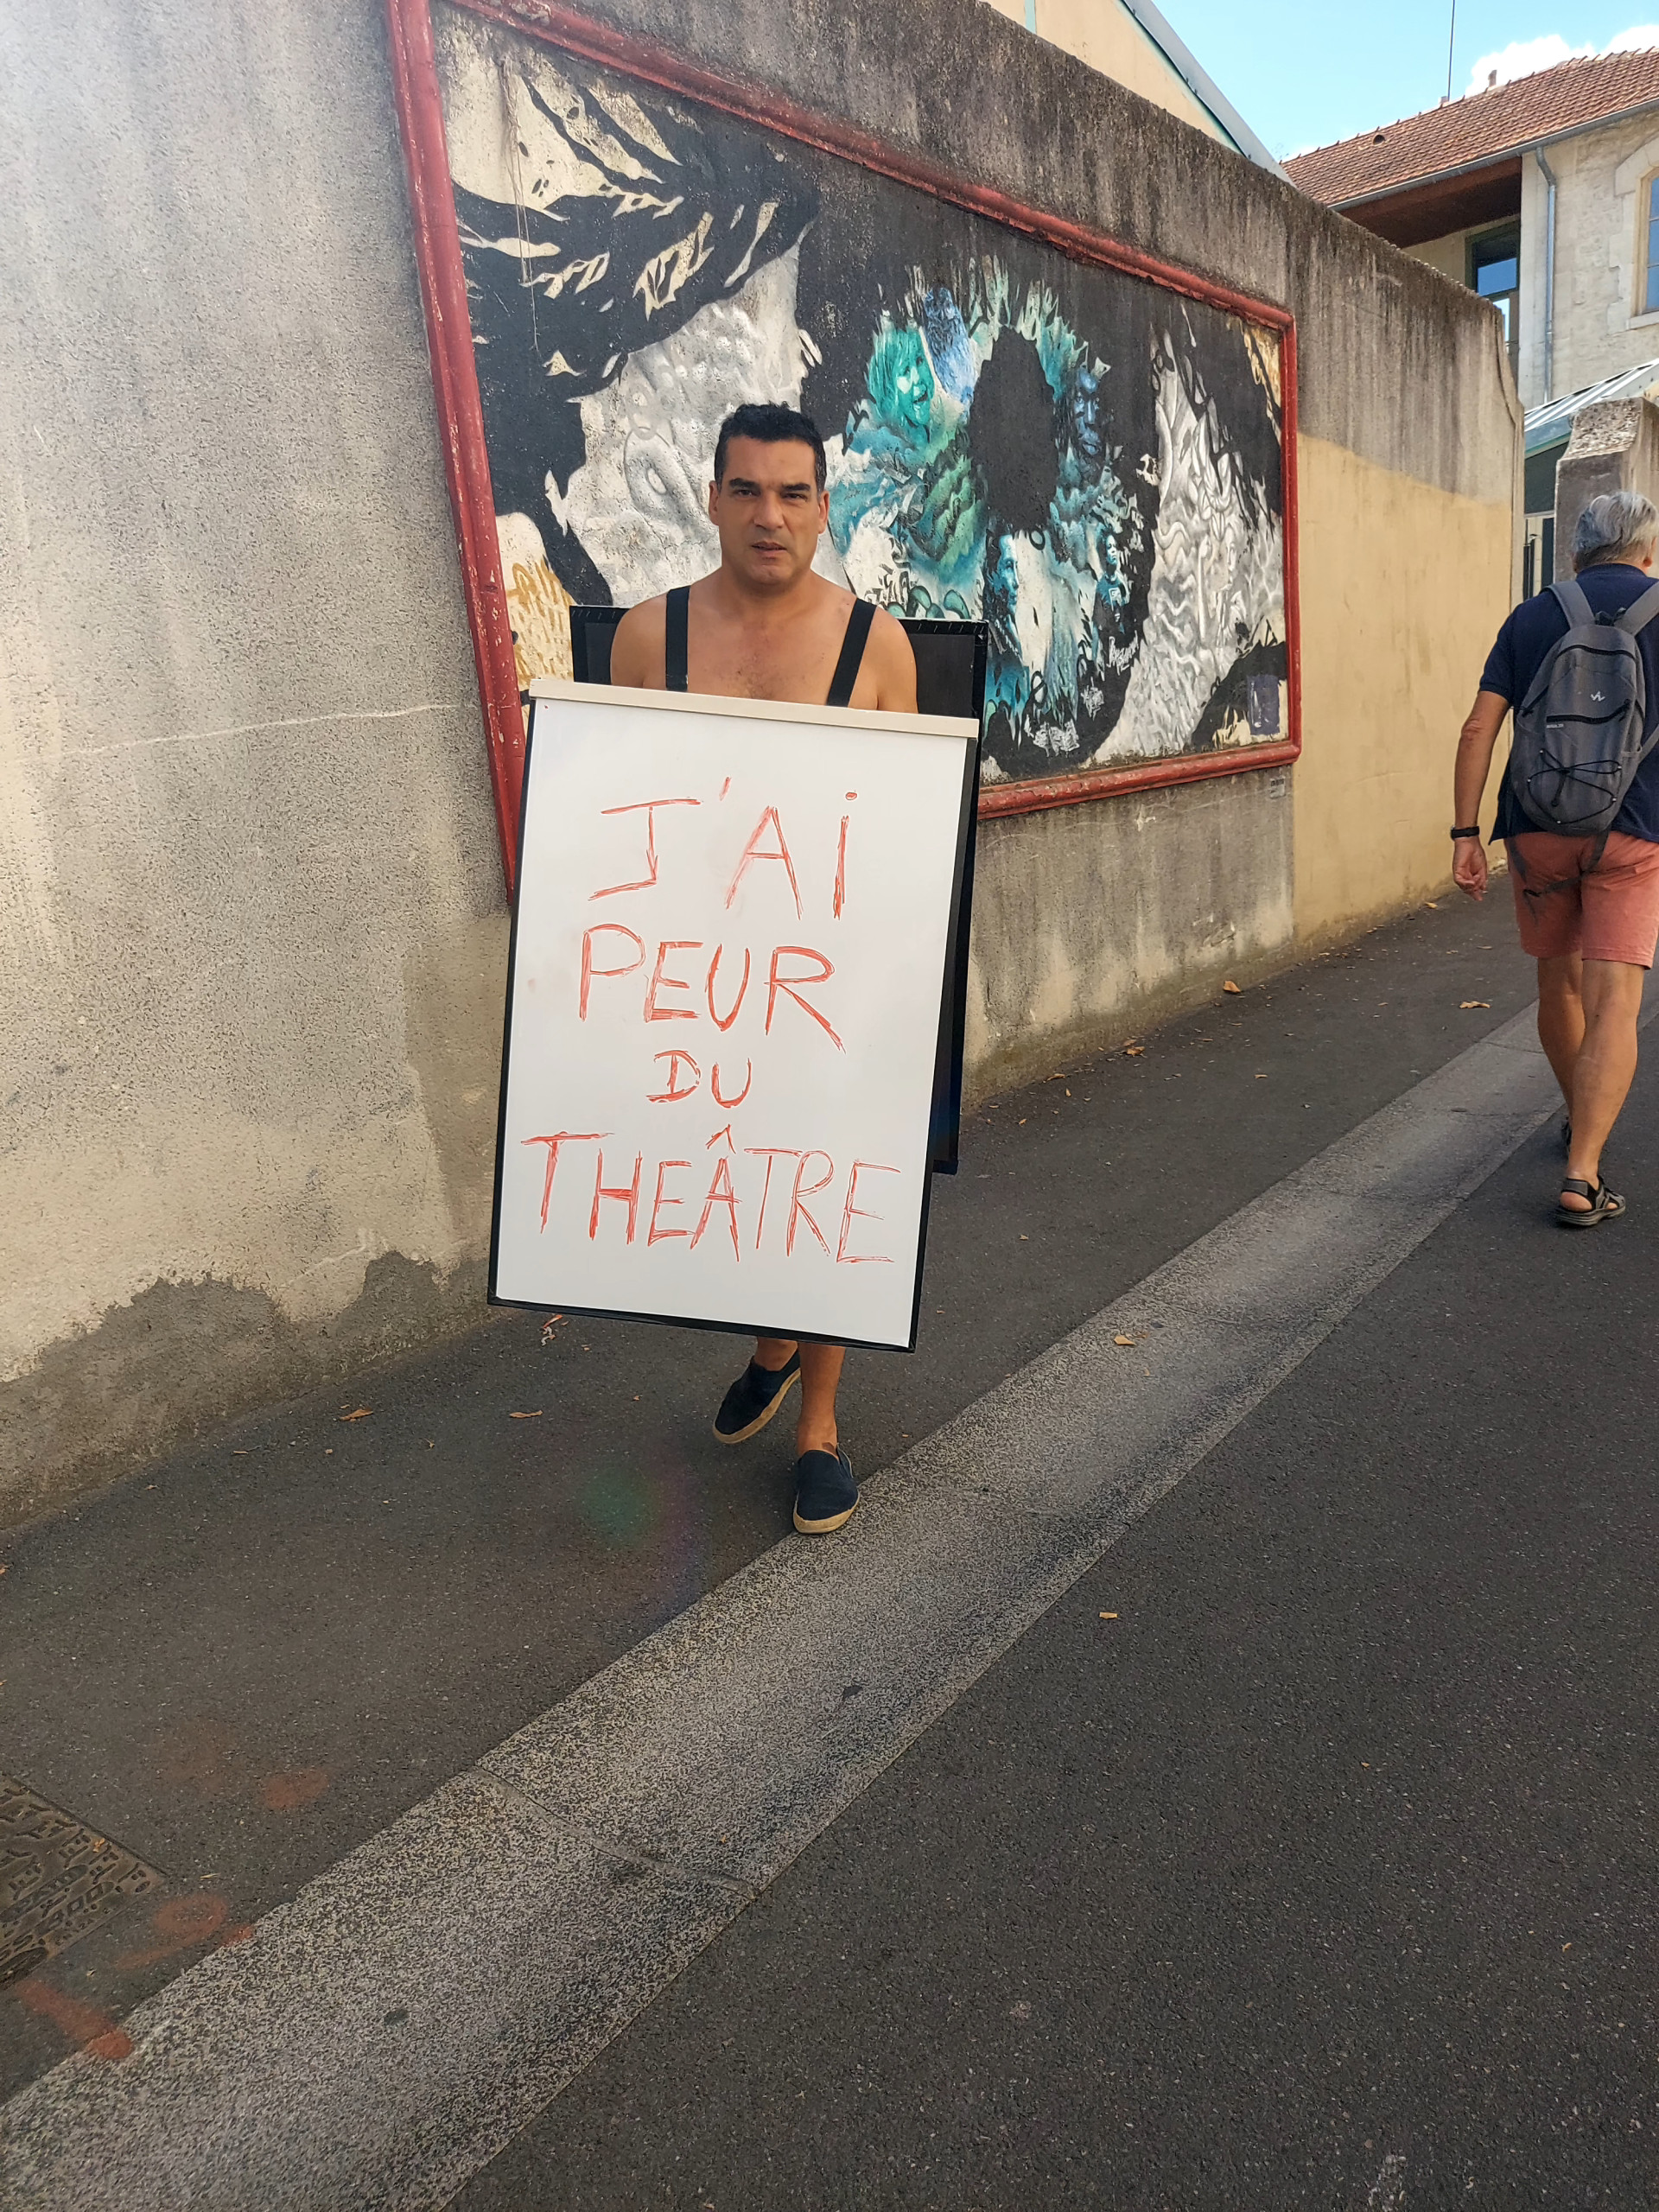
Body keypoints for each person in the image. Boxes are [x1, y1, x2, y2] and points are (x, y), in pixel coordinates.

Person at [610, 401, 918, 1530]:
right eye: (746, 490)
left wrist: (893, 986)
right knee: (738, 1178)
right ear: (712, 500)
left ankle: (819, 1425)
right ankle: (774, 1340)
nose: (769, 515)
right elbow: (617, 820)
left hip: (826, 978)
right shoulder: (649, 640)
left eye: (793, 493)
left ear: (824, 508)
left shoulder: (874, 648)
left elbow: (903, 828)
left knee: (820, 1185)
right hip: (695, 977)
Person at [1452, 488, 1659, 1225]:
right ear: (1647, 552)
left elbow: (1479, 729)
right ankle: (1583, 1172)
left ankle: (1580, 1112)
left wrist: (1465, 833)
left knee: (1559, 987)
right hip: (1634, 830)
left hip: (1536, 826)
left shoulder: (1533, 616)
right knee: (1615, 1002)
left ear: (1575, 552)